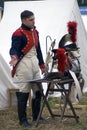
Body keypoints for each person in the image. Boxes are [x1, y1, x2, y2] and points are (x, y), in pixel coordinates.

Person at [9, 10, 47, 128]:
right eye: (31, 20)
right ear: (24, 20)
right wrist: (14, 56)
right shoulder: (18, 34)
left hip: (34, 62)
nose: (33, 21)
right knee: (24, 92)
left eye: (33, 19)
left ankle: (36, 116)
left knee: (38, 90)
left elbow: (38, 50)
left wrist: (42, 65)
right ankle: (23, 120)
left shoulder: (35, 32)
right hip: (23, 64)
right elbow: (14, 49)